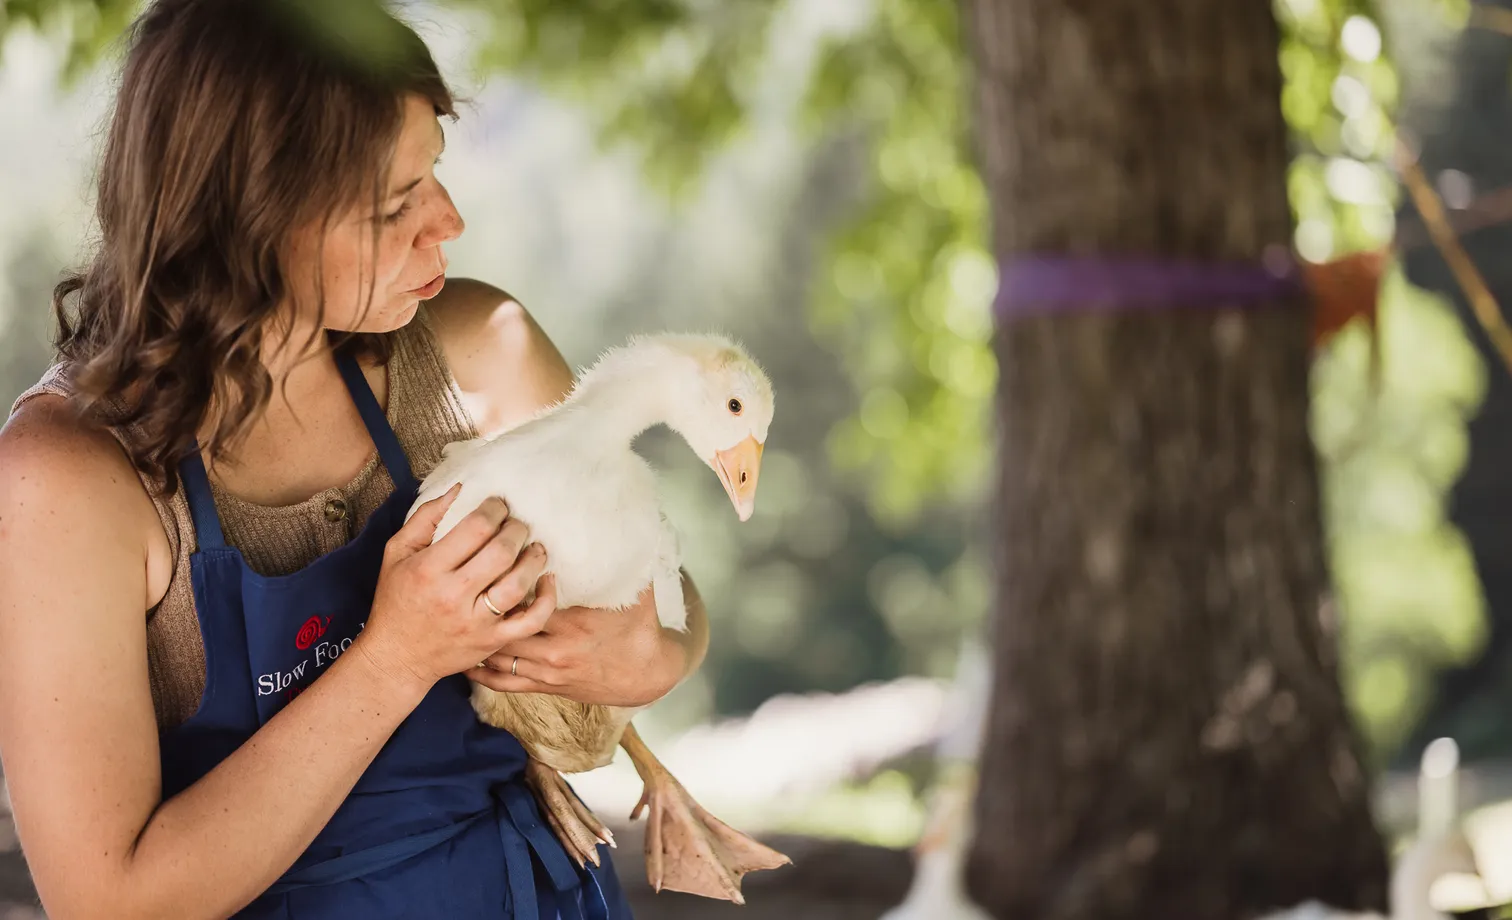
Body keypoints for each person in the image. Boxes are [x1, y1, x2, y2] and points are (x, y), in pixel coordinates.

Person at [0, 1, 709, 917]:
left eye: (435, 173)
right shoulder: (68, 480)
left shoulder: (476, 351)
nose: (447, 222)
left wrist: (662, 656)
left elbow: (663, 584)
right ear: (247, 219)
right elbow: (109, 902)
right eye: (392, 206)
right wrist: (395, 658)